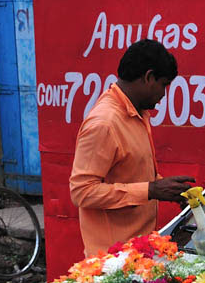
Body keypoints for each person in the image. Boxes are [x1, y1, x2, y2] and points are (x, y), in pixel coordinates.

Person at [69, 39, 195, 257]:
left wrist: (171, 191)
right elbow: (82, 192)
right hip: (111, 259)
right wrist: (151, 190)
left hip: (140, 252)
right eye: (163, 84)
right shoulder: (105, 123)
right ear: (148, 77)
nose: (164, 94)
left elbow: (133, 175)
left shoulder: (138, 113)